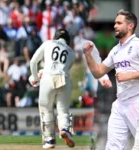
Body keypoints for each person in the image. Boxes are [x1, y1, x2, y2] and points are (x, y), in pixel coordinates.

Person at [83, 9, 139, 150]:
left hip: (136, 101)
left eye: (119, 23)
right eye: (115, 23)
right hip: (120, 103)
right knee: (112, 147)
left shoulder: (137, 45)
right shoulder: (115, 50)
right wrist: (88, 55)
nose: (115, 26)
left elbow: (128, 75)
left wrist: (129, 75)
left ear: (130, 26)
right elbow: (98, 72)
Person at [29, 29, 75, 149]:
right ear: (68, 40)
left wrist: (35, 77)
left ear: (56, 37)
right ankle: (65, 128)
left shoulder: (48, 43)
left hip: (48, 79)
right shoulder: (72, 53)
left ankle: (49, 139)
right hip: (65, 79)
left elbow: (33, 62)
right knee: (63, 111)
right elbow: (61, 68)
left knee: (46, 109)